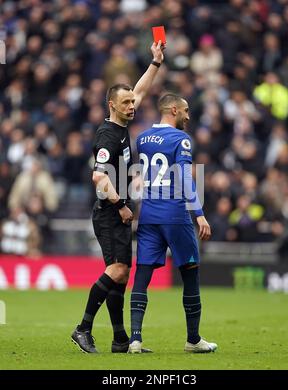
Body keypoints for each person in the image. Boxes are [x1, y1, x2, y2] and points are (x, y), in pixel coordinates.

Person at [71, 41, 165, 353]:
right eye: (125, 103)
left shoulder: (123, 121)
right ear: (112, 105)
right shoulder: (107, 137)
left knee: (121, 276)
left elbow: (139, 91)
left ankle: (120, 340)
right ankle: (83, 328)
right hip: (110, 212)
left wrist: (155, 62)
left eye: (131, 102)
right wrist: (122, 204)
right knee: (118, 271)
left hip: (118, 212)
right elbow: (98, 178)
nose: (132, 105)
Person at [128, 93, 217, 353]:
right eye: (186, 111)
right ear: (174, 110)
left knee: (142, 275)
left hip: (148, 215)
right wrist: (198, 213)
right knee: (190, 273)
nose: (189, 116)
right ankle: (193, 340)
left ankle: (135, 340)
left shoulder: (142, 138)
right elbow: (184, 177)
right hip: (175, 215)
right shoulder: (181, 139)